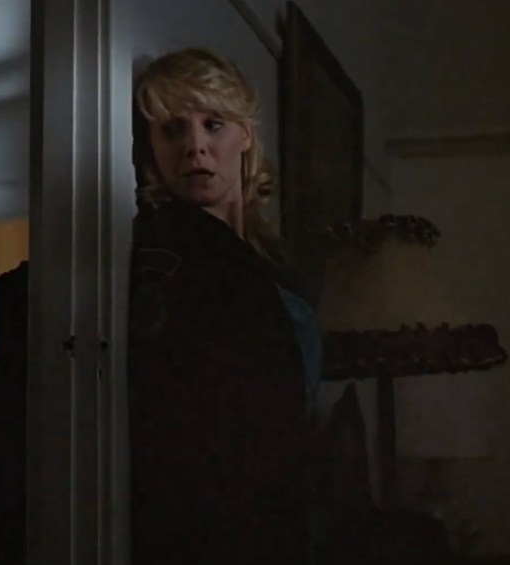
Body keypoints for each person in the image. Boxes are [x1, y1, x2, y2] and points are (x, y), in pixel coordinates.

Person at [127, 47, 323, 564]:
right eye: (173, 130)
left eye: (212, 124)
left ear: (245, 135)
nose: (195, 146)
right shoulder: (159, 263)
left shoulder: (273, 263)